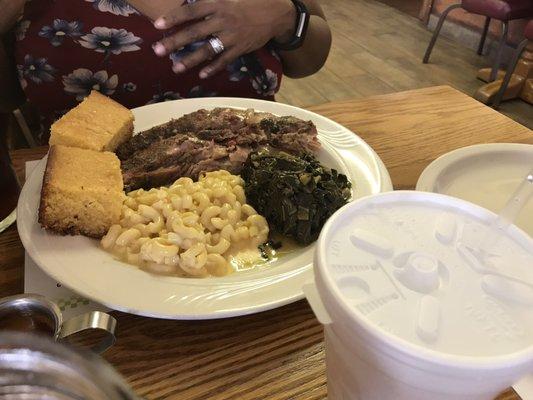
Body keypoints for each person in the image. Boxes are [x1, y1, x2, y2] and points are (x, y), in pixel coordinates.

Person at [0, 0, 331, 143]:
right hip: (87, 195)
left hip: (260, 180)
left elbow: (311, 60)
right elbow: (8, 100)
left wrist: (287, 17)